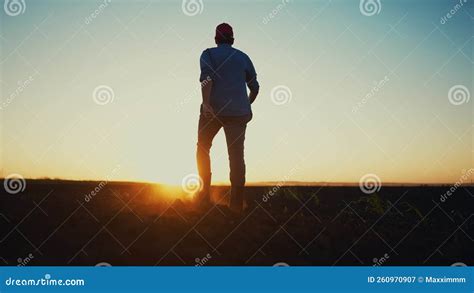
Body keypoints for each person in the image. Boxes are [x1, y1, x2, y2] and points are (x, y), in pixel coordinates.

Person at [196, 23, 260, 213]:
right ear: (232, 39)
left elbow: (207, 79)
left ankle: (204, 196)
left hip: (212, 111)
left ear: (216, 39)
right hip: (238, 113)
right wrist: (246, 104)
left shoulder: (207, 54)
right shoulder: (243, 57)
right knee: (236, 157)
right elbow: (255, 88)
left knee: (203, 147)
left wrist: (206, 103)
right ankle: (236, 205)